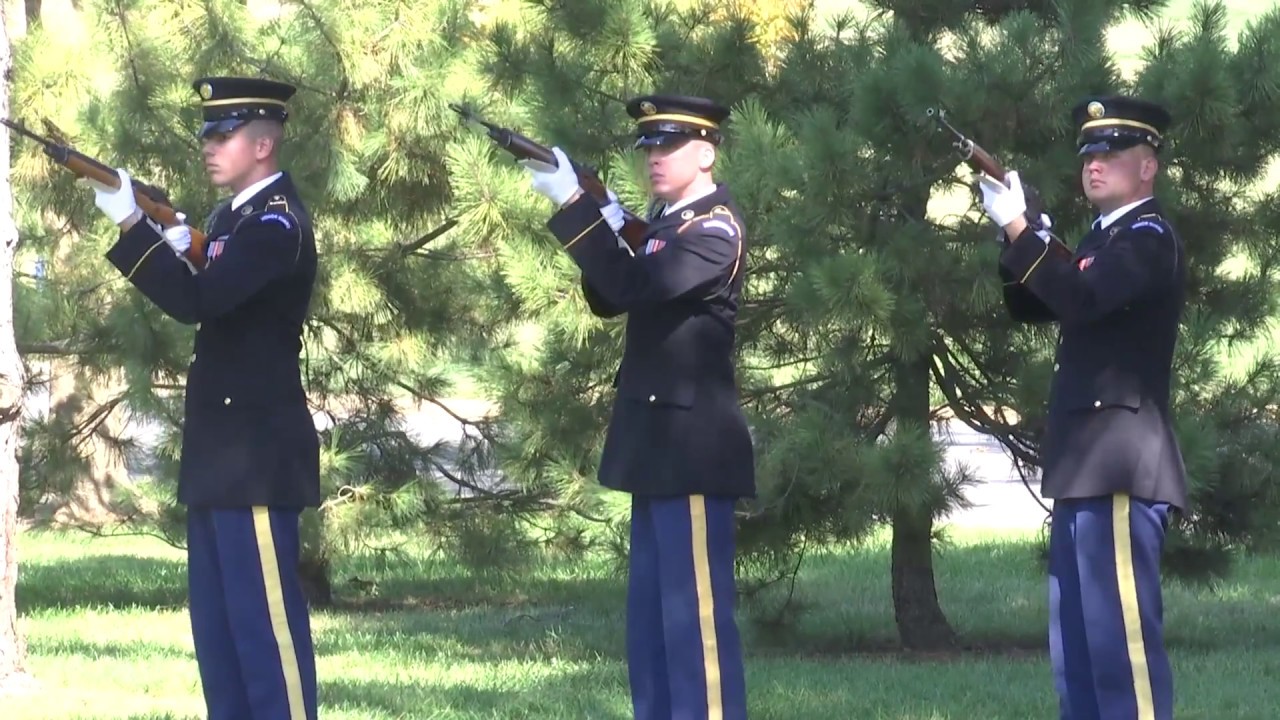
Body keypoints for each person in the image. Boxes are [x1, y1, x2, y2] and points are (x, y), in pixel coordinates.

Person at [87, 76, 320, 720]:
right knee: (221, 647)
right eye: (207, 136)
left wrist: (131, 223)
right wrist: (170, 237)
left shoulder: (276, 224)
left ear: (265, 143)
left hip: (256, 459)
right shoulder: (230, 220)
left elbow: (200, 301)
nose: (209, 147)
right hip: (220, 457)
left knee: (267, 645)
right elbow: (207, 277)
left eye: (224, 135)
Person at [521, 94, 753, 720]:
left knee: (694, 634)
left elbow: (635, 285)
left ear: (705, 154)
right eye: (649, 146)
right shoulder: (662, 224)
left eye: (668, 146)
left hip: (694, 451)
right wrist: (602, 213)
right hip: (656, 446)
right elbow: (609, 296)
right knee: (650, 636)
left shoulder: (713, 229)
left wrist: (576, 208)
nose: (654, 157)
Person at [979, 95, 1186, 720]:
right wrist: (1021, 233)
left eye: (1112, 153)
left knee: (1120, 650)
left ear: (1147, 167)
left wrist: (1025, 234)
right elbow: (1033, 304)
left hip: (1121, 464)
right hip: (1084, 463)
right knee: (1077, 654)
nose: (1094, 164)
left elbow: (1086, 296)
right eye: (1089, 154)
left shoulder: (1147, 236)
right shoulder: (1102, 239)